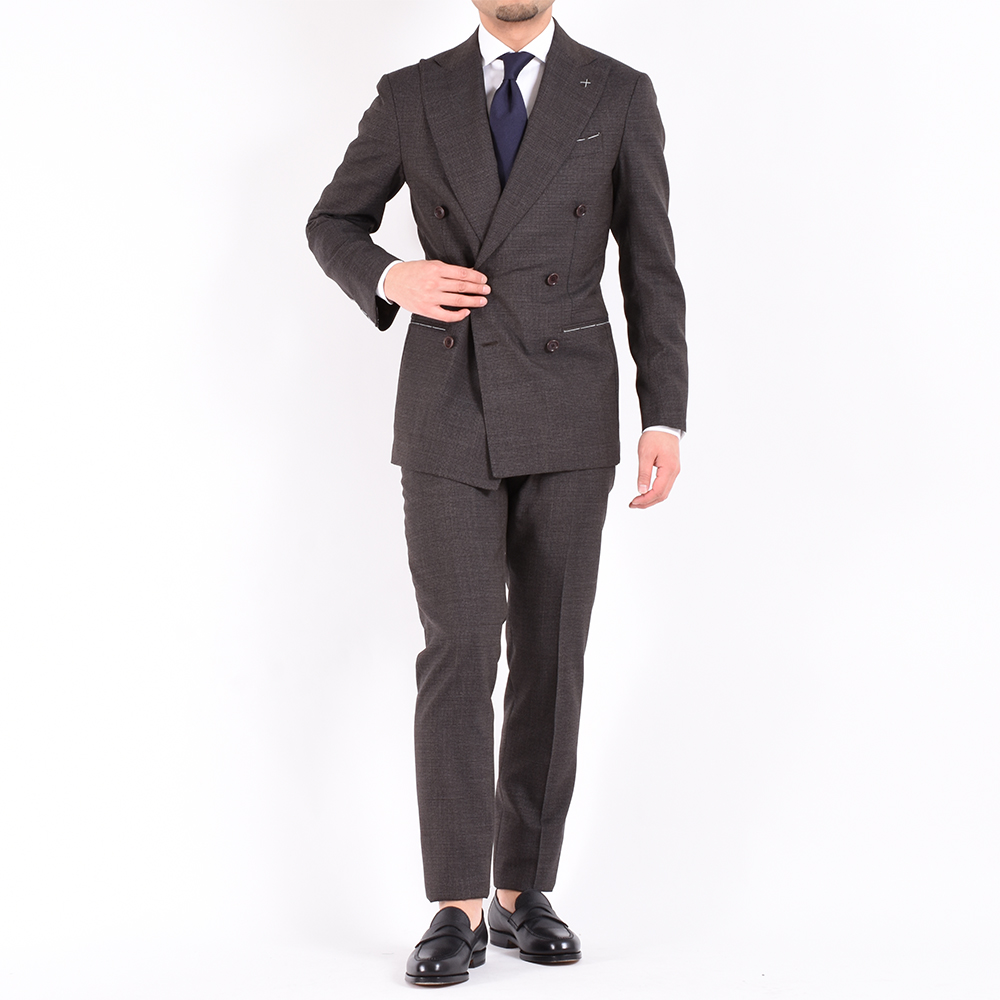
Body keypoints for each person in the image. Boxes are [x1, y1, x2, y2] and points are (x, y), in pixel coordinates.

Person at [306, 0, 686, 986]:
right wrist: (394, 276)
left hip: (570, 404)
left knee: (552, 653)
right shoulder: (412, 94)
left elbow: (650, 264)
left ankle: (523, 891)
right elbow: (333, 221)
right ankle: (456, 905)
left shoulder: (618, 92)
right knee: (460, 648)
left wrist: (664, 415)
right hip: (448, 404)